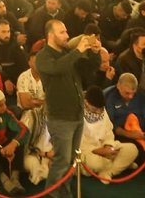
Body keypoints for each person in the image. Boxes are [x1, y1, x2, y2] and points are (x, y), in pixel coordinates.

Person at [36, 20, 100, 184]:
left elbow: (89, 69)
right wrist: (77, 50)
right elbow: (57, 68)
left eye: (66, 31)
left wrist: (94, 52)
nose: (67, 35)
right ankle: (52, 195)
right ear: (51, 35)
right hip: (60, 117)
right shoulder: (43, 56)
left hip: (76, 114)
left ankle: (64, 192)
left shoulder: (68, 53)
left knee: (70, 160)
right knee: (61, 161)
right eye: (62, 32)